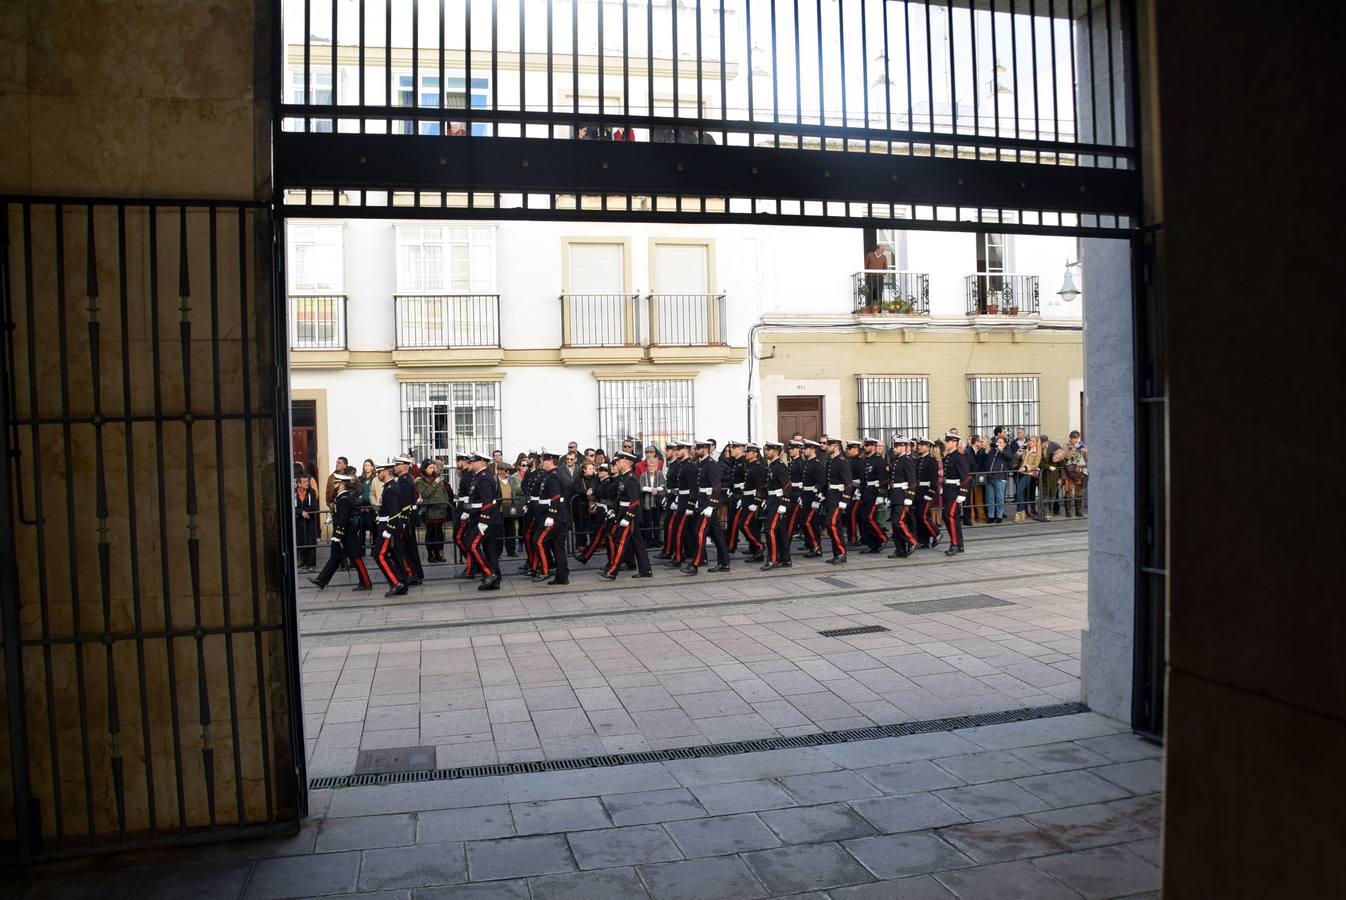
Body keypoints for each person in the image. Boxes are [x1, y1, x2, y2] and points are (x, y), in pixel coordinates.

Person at [309, 471, 372, 591]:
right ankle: (322, 580)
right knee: (335, 557)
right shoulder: (341, 497)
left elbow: (344, 518)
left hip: (347, 534)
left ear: (342, 484)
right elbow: (339, 515)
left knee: (356, 558)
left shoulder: (344, 498)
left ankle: (366, 583)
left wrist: (338, 534)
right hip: (341, 534)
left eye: (336, 482)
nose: (333, 484)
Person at [602, 451, 652, 579]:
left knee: (621, 541)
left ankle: (613, 571)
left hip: (630, 516)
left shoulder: (631, 479)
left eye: (619, 461)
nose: (617, 463)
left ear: (625, 462)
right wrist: (614, 510)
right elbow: (620, 498)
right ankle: (645, 570)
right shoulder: (623, 477)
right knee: (638, 543)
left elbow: (634, 501)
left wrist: (628, 517)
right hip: (623, 513)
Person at [682, 439, 729, 574]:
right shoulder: (701, 463)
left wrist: (712, 505)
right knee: (717, 534)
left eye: (698, 449)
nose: (696, 451)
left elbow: (716, 485)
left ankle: (695, 565)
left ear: (706, 449)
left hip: (708, 503)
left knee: (699, 532)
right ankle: (724, 563)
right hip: (703, 501)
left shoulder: (711, 464)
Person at [465, 451, 502, 590]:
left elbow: (487, 502)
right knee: (489, 549)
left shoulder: (484, 477)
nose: (471, 464)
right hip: (482, 517)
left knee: (472, 545)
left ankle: (489, 574)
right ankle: (495, 578)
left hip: (485, 518)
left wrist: (483, 520)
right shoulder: (480, 476)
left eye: (473, 462)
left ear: (480, 462)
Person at [533, 448, 570, 585]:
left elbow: (556, 497)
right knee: (557, 546)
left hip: (552, 516)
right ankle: (562, 576)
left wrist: (551, 516)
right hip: (555, 515)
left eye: (543, 460)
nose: (541, 462)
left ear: (550, 461)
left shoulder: (553, 476)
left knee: (538, 541)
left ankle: (545, 571)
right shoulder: (551, 475)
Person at [372, 461, 408, 597]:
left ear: (385, 472)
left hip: (388, 527)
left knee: (379, 555)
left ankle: (396, 583)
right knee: (396, 555)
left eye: (379, 472)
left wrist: (389, 529)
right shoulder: (391, 486)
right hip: (387, 524)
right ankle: (402, 583)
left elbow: (395, 512)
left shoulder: (391, 488)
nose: (377, 474)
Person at [392, 455, 424, 585]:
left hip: (406, 519)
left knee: (404, 549)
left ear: (404, 466)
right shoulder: (404, 479)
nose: (395, 467)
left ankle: (412, 573)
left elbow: (405, 504)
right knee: (410, 548)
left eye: (397, 465)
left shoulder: (404, 481)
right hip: (408, 519)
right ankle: (416, 574)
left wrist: (403, 521)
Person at [761, 441, 793, 570]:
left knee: (770, 529)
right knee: (780, 532)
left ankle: (773, 559)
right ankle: (785, 560)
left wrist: (784, 503)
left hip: (778, 502)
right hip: (772, 500)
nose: (766, 452)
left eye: (768, 450)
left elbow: (787, 486)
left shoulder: (780, 466)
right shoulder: (773, 465)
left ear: (775, 451)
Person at [732, 443, 766, 561]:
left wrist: (757, 503)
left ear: (755, 453)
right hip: (746, 500)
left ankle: (760, 546)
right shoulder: (750, 466)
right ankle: (757, 553)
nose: (746, 454)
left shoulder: (758, 467)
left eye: (748, 452)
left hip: (752, 501)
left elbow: (761, 487)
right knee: (751, 526)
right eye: (746, 452)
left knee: (744, 524)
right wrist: (742, 499)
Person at [887, 436, 919, 558]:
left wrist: (909, 498)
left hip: (902, 495)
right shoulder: (897, 460)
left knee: (898, 521)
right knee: (895, 526)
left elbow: (912, 481)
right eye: (895, 446)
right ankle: (900, 549)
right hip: (895, 495)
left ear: (903, 447)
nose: (895, 449)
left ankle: (912, 541)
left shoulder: (907, 460)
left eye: (897, 447)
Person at [822, 438, 853, 564]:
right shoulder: (830, 461)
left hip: (838, 498)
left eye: (828, 445)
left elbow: (848, 483)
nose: (826, 447)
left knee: (831, 524)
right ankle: (838, 553)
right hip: (831, 496)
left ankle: (841, 552)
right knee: (836, 526)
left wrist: (845, 499)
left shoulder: (842, 461)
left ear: (835, 446)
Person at [415, 458, 451, 563]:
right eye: (430, 468)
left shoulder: (437, 477)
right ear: (425, 468)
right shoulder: (420, 480)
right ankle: (431, 555)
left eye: (433, 467)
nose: (432, 470)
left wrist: (446, 503)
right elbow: (425, 493)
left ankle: (440, 554)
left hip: (440, 510)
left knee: (439, 533)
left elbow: (443, 492)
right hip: (430, 511)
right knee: (430, 533)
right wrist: (434, 483)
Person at [941, 433, 971, 555]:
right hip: (948, 489)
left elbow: (965, 476)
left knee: (950, 516)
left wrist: (962, 493)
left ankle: (954, 544)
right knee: (950, 517)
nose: (946, 443)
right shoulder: (949, 456)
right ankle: (959, 544)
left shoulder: (958, 457)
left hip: (955, 491)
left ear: (954, 443)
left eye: (948, 442)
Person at [857, 437, 889, 553]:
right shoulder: (868, 460)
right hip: (868, 492)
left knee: (869, 518)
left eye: (867, 446)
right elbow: (864, 479)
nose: (865, 448)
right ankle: (872, 544)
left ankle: (882, 538)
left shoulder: (879, 460)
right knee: (864, 518)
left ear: (873, 447)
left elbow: (883, 480)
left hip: (875, 492)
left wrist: (881, 495)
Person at [452, 452, 478, 578]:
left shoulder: (468, 476)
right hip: (462, 507)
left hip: (465, 510)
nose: (457, 464)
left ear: (463, 461)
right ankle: (473, 564)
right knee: (461, 538)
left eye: (458, 461)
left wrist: (466, 512)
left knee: (459, 537)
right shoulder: (465, 475)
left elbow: (470, 497)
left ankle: (471, 565)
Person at [799, 439, 825, 557]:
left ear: (813, 449)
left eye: (806, 449)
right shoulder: (808, 463)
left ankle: (816, 547)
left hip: (813, 497)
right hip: (806, 496)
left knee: (809, 522)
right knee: (805, 522)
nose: (804, 451)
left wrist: (817, 499)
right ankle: (811, 545)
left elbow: (821, 483)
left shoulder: (817, 464)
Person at [638, 447, 665, 547]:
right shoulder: (643, 475)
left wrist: (657, 489)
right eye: (649, 466)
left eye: (653, 466)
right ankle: (648, 541)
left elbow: (663, 485)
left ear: (657, 466)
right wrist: (651, 489)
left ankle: (656, 540)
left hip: (657, 502)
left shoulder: (660, 474)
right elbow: (641, 487)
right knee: (647, 522)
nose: (651, 468)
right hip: (647, 502)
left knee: (657, 522)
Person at [985, 435, 1014, 523]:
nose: (998, 444)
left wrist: (1001, 450)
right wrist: (985, 453)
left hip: (1000, 477)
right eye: (998, 442)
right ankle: (991, 516)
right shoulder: (993, 450)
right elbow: (986, 460)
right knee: (990, 498)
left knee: (999, 498)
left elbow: (1009, 457)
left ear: (1005, 444)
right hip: (990, 476)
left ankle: (999, 516)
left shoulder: (1007, 450)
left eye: (1001, 442)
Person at [495, 461, 522, 556]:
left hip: (510, 510)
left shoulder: (511, 479)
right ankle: (497, 552)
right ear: (499, 470)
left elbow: (518, 490)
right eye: (506, 470)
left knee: (511, 531)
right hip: (499, 510)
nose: (508, 472)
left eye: (508, 470)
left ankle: (511, 551)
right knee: (498, 532)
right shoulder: (494, 480)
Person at [357, 458, 382, 554]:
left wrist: (372, 505)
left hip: (372, 508)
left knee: (374, 530)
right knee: (361, 530)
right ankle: (362, 550)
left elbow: (376, 492)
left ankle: (374, 550)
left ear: (372, 467)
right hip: (361, 508)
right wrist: (361, 506)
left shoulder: (375, 479)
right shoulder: (360, 479)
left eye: (368, 465)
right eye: (365, 465)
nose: (366, 467)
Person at [1014, 436, 1042, 522]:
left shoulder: (1037, 452)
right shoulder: (1026, 449)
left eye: (1033, 441)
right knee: (1019, 493)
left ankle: (1020, 512)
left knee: (1020, 491)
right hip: (1020, 473)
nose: (1030, 442)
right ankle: (1021, 513)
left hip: (1028, 474)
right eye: (1030, 440)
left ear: (1036, 442)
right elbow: (1016, 458)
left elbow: (1035, 465)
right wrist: (1019, 451)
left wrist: (1025, 468)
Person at [294, 473, 318, 571]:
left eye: (307, 481)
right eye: (304, 482)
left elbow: (313, 506)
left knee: (310, 541)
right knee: (300, 541)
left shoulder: (311, 492)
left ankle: (311, 564)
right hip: (299, 522)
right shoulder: (294, 493)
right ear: (299, 484)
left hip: (309, 521)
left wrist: (305, 511)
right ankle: (304, 562)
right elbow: (292, 507)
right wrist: (301, 512)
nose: (307, 483)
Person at [1060, 431, 1087, 518]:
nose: (1076, 440)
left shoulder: (1081, 444)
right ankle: (1068, 512)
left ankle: (1078, 511)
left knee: (1079, 490)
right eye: (1074, 438)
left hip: (1079, 469)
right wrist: (1074, 448)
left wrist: (1085, 452)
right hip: (1069, 470)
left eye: (1077, 438)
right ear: (1070, 438)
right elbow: (1066, 456)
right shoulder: (1066, 445)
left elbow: (1087, 458)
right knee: (1068, 490)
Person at [1039, 434, 1064, 521]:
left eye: (1057, 458)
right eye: (1055, 456)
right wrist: (1049, 467)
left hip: (1055, 481)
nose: (1055, 458)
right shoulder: (1049, 458)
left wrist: (1060, 479)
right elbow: (1041, 463)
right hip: (1046, 480)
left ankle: (1050, 512)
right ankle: (1045, 513)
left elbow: (1063, 469)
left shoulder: (1060, 462)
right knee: (1045, 497)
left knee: (1052, 497)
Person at [843, 440, 863, 544]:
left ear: (855, 449)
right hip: (850, 491)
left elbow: (862, 479)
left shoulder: (859, 461)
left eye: (849, 449)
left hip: (857, 492)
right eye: (847, 448)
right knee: (850, 513)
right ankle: (852, 537)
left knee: (853, 513)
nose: (847, 451)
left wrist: (859, 491)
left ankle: (854, 538)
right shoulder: (849, 460)